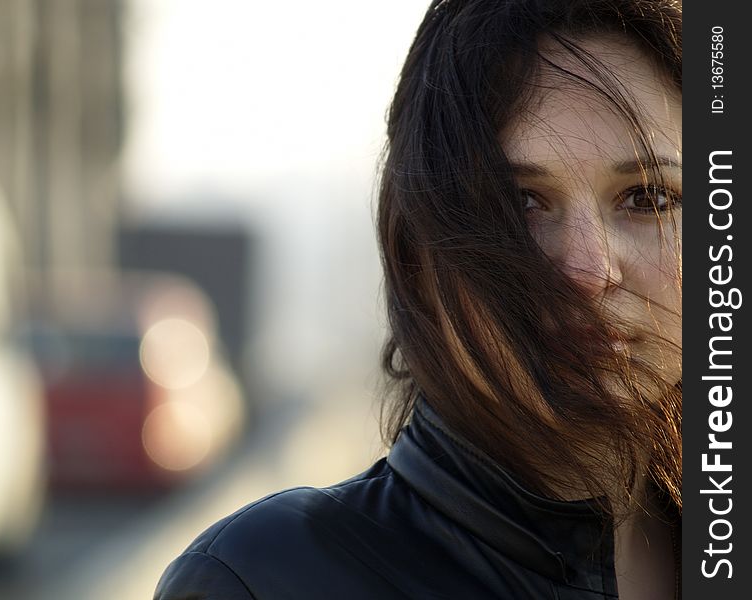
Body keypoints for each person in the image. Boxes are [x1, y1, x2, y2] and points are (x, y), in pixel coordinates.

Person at [153, 0, 682, 598]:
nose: (591, 269)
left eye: (648, 198)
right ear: (415, 254)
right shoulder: (267, 581)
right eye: (520, 205)